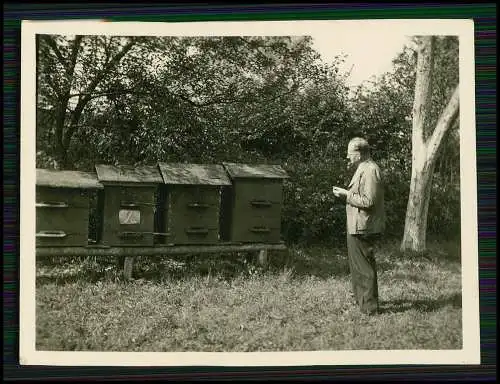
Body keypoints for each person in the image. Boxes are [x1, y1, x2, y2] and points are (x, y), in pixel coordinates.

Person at [332, 137, 385, 315]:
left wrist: (346, 195)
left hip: (364, 226)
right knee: (359, 266)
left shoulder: (370, 170)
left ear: (360, 153)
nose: (347, 157)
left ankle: (369, 308)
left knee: (364, 268)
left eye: (350, 153)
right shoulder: (363, 167)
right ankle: (362, 301)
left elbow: (369, 201)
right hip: (357, 225)